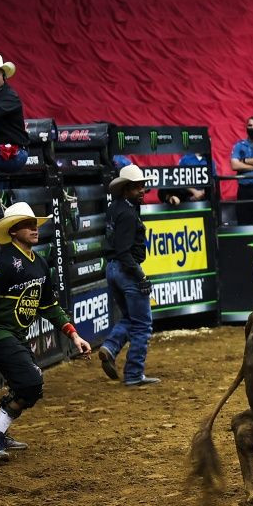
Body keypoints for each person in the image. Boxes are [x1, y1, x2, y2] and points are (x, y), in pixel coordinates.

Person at [0, 203, 92, 460]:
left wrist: (74, 335)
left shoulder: (39, 264)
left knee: (32, 386)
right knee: (31, 382)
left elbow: (50, 306)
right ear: (13, 231)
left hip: (16, 336)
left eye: (35, 224)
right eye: (27, 224)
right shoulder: (0, 263)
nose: (34, 229)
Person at [99, 164, 159, 385]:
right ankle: (134, 374)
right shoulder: (127, 213)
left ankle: (110, 347)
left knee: (130, 318)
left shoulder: (116, 208)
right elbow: (125, 251)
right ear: (126, 190)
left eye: (143, 186)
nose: (142, 190)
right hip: (126, 269)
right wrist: (140, 276)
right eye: (137, 187)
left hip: (113, 269)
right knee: (142, 324)